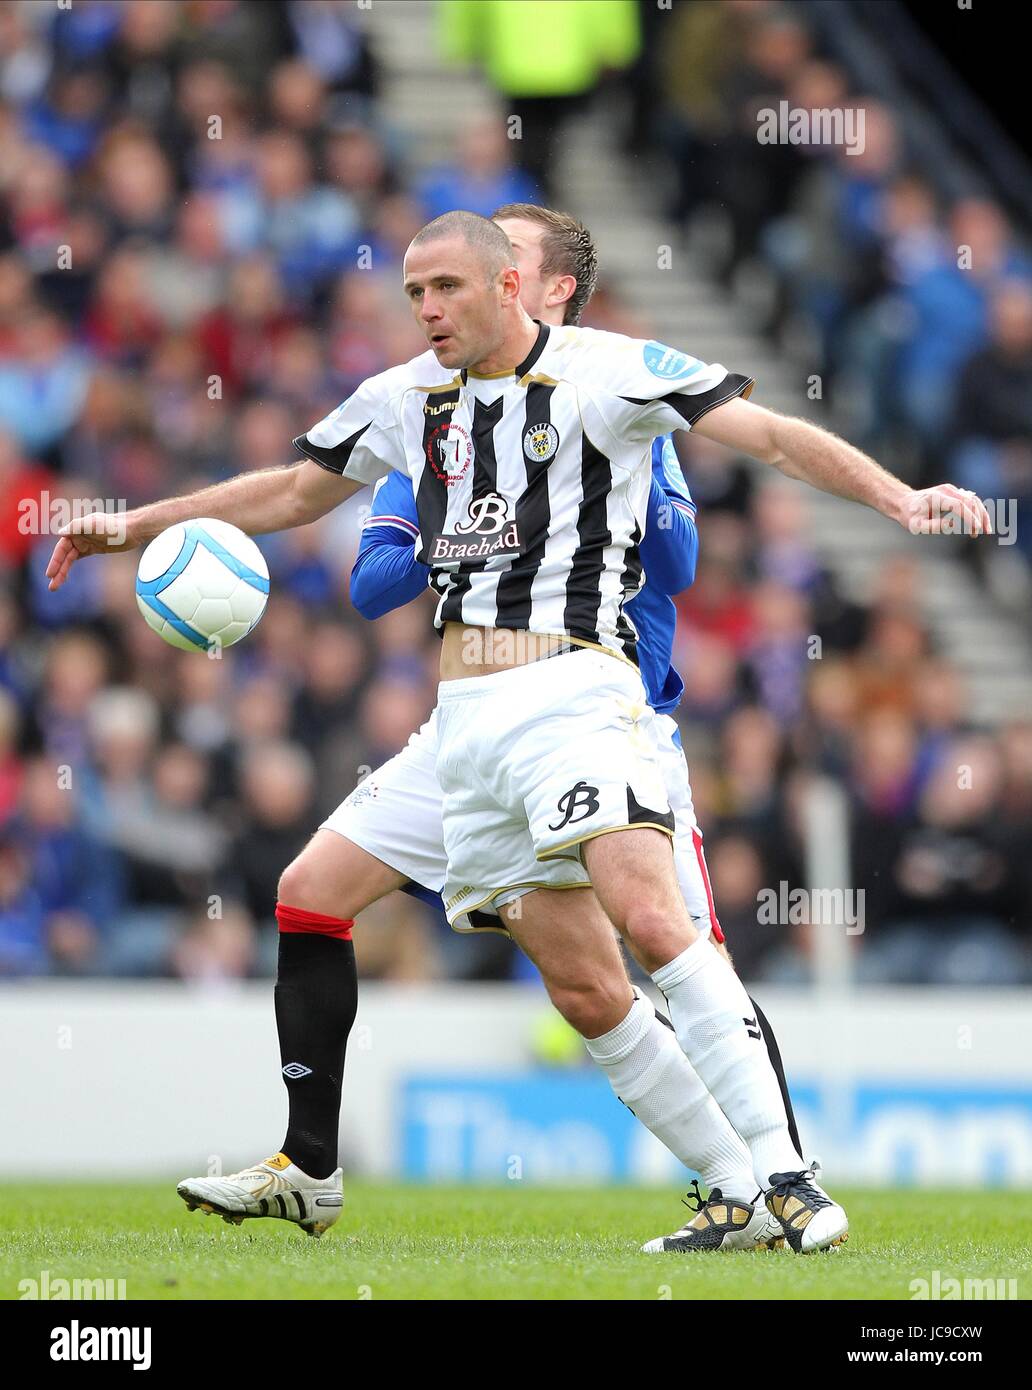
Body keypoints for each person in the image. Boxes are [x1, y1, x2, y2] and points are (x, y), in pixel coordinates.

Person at [48, 210, 990, 1254]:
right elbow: (293, 488)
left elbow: (764, 433)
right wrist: (137, 524)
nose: (427, 310)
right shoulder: (406, 399)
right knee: (541, 972)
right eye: (413, 293)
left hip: (576, 692)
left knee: (650, 912)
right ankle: (327, 1169)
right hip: (463, 723)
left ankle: (788, 1173)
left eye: (445, 287)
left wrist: (900, 498)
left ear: (510, 286)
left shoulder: (611, 372)